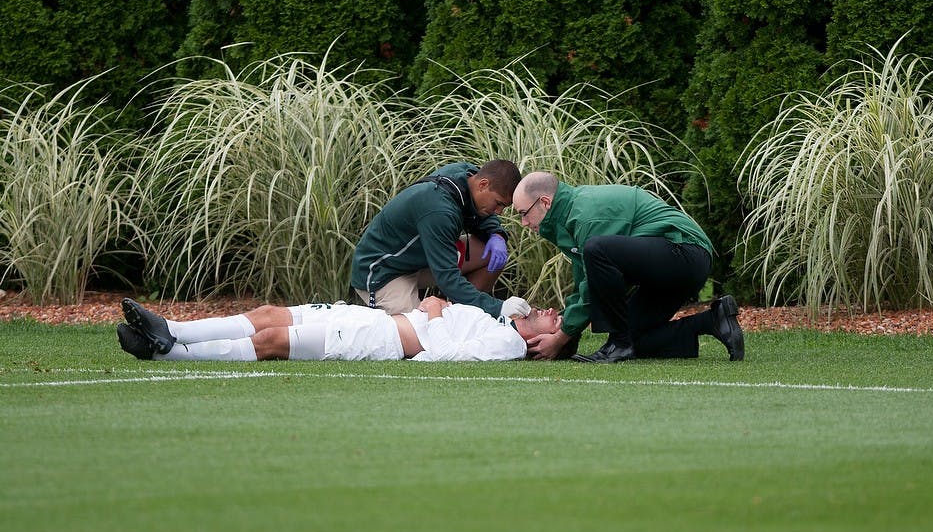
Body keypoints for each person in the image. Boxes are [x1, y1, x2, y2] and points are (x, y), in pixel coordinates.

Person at [511, 171, 744, 363]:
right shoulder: (569, 218)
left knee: (597, 249)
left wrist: (563, 335)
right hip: (666, 268)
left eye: (524, 213)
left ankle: (618, 345)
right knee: (634, 338)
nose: (523, 223)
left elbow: (594, 281)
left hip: (686, 253)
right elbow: (585, 281)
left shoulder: (584, 214)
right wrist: (567, 322)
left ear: (545, 202)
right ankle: (713, 320)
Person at [115, 297, 561, 363]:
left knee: (270, 342)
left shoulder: (507, 344)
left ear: (538, 339)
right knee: (270, 313)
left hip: (381, 340)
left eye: (555, 318)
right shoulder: (504, 320)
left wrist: (437, 309)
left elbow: (441, 355)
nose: (550, 309)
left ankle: (165, 351)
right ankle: (169, 326)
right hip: (371, 319)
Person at [351, 159, 530, 319]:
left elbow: (477, 211)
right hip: (382, 273)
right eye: (498, 203)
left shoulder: (466, 174)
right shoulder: (440, 212)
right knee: (418, 335)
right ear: (483, 184)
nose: (499, 212)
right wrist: (498, 307)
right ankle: (452, 318)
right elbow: (448, 279)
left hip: (419, 259)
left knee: (491, 253)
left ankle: (461, 318)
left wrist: (496, 234)